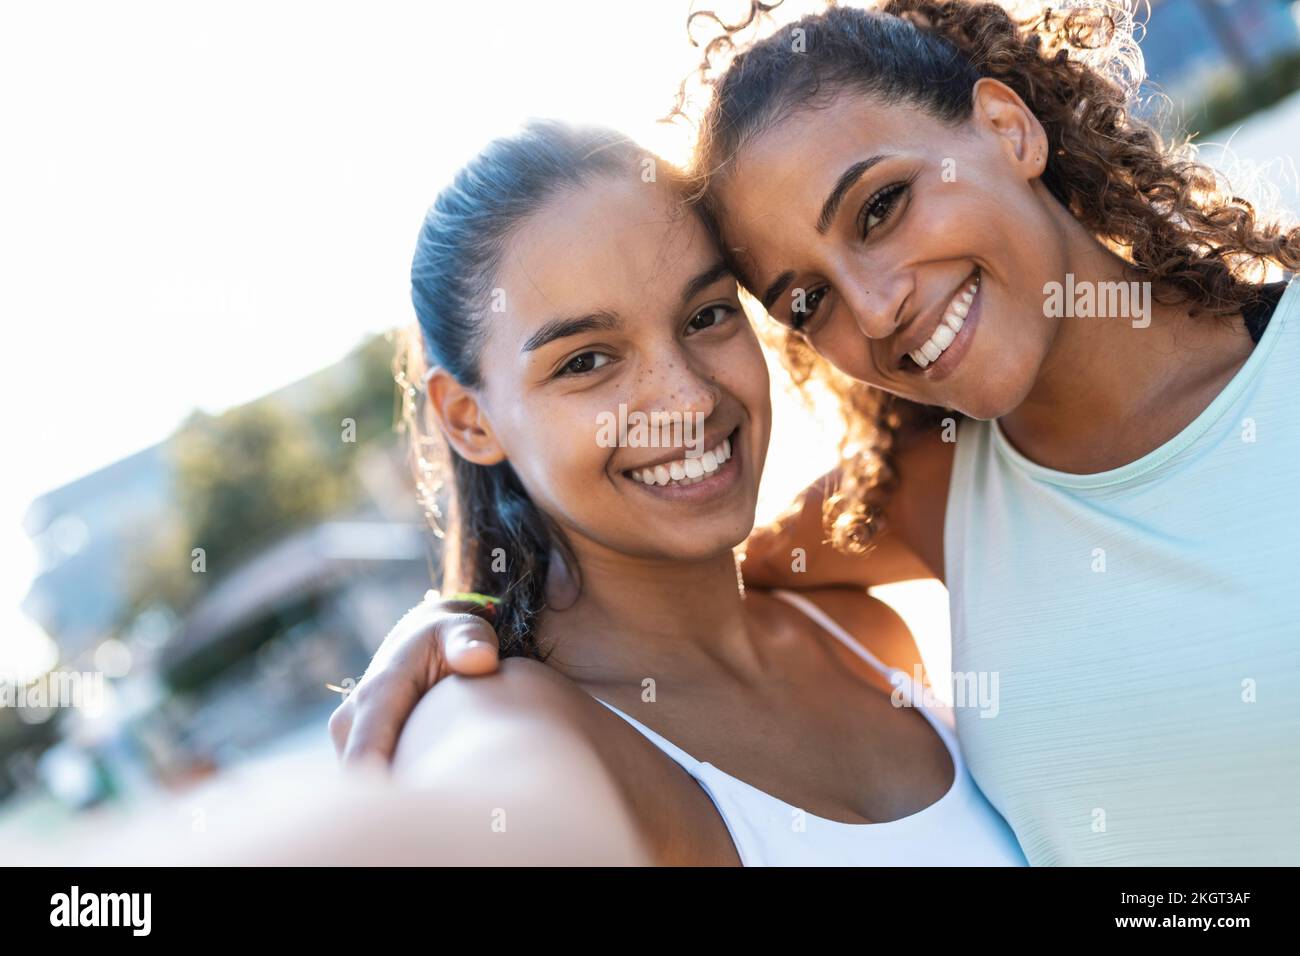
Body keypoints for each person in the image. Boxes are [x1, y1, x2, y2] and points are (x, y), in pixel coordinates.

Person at [334, 1, 1300, 865]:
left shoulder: (869, 592)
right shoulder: (931, 495)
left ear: (1008, 126)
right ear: (467, 416)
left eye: (882, 206)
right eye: (807, 299)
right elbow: (508, 777)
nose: (875, 311)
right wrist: (462, 617)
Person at [340, 118, 1026, 865]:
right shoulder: (512, 717)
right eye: (587, 361)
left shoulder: (858, 630)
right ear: (470, 420)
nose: (689, 402)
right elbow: (483, 801)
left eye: (705, 316)